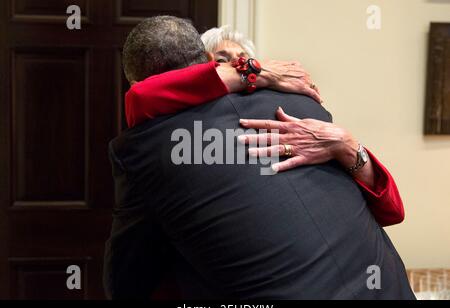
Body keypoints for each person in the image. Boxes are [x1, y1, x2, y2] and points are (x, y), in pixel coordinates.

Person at [104, 15, 415, 299]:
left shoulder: (147, 147)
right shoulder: (300, 99)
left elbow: (127, 284)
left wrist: (347, 144)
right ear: (211, 64)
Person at [124, 25, 404, 227]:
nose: (240, 67)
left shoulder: (293, 112)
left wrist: (345, 144)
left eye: (246, 60)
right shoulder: (187, 134)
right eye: (224, 63)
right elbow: (142, 96)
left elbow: (391, 211)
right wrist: (259, 72)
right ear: (205, 68)